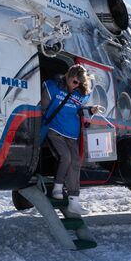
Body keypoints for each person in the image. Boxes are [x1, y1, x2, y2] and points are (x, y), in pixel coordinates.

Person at [41, 64, 99, 215]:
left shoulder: (80, 94)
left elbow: (79, 112)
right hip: (54, 129)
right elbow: (42, 107)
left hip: (71, 134)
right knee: (65, 157)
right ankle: (57, 188)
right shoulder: (53, 87)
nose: (76, 85)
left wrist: (90, 111)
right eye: (74, 81)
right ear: (69, 76)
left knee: (75, 162)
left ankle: (74, 201)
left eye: (79, 83)